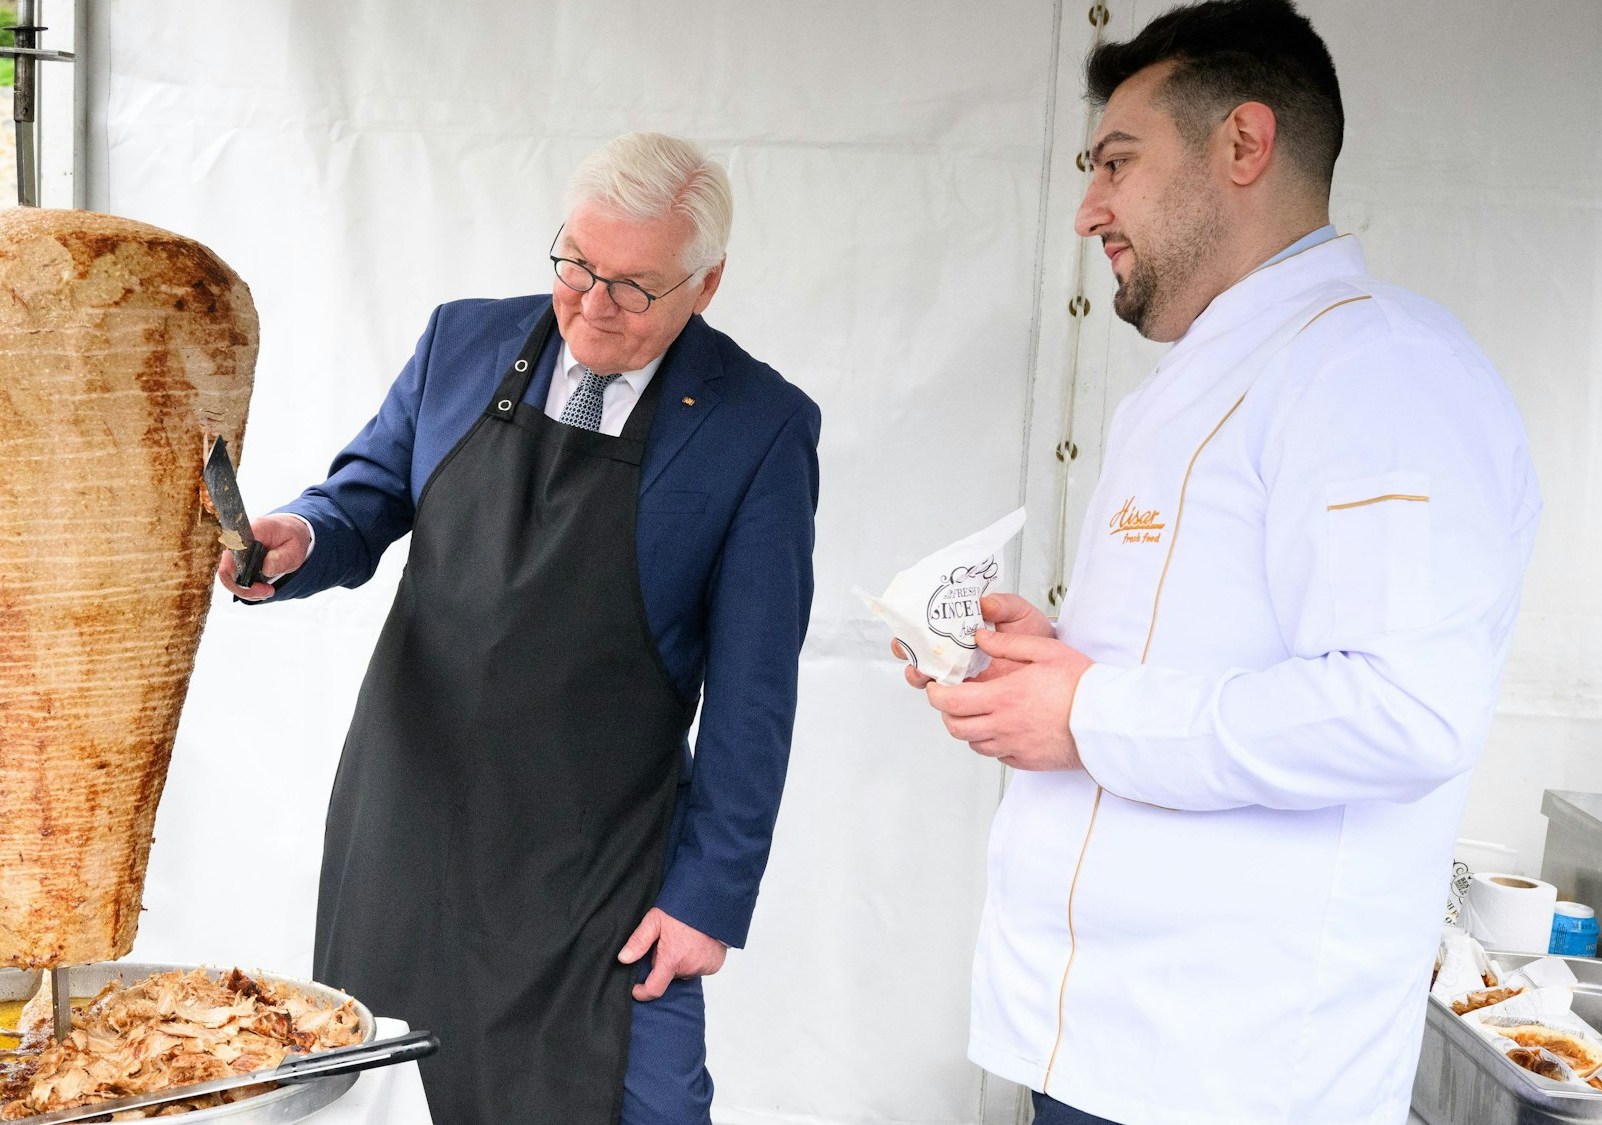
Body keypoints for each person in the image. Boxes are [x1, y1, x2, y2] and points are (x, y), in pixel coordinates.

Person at [900, 3, 1540, 1122]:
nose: (1086, 209)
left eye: (1115, 162)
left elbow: (1403, 709)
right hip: (1116, 1046)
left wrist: (1089, 712)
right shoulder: (1205, 381)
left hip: (1232, 1074)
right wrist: (1050, 671)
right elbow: (1195, 661)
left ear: (1243, 145)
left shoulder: (1371, 369)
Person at [221, 133, 820, 1125]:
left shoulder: (757, 427)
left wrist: (709, 898)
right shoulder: (461, 340)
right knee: (373, 1101)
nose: (590, 304)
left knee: (648, 1105)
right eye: (575, 264)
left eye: (631, 287)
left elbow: (755, 690)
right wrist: (298, 539)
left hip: (598, 864)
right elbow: (362, 500)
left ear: (704, 286)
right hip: (408, 834)